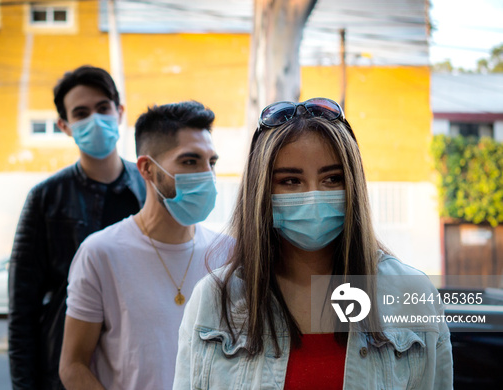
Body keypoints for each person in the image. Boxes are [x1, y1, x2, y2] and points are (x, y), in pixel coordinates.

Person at [173, 98, 453, 389]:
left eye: (332, 178)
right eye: (291, 181)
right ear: (261, 192)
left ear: (353, 186)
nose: (313, 196)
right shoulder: (214, 301)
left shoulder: (413, 294)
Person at [59, 101, 228, 390]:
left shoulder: (229, 252)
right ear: (148, 169)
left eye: (211, 162)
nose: (207, 175)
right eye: (190, 161)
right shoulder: (100, 253)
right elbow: (73, 365)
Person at [8, 65, 146, 390]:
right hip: (64, 370)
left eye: (102, 108)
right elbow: (22, 312)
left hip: (138, 367)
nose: (95, 120)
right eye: (81, 113)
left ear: (120, 112)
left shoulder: (150, 187)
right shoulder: (45, 199)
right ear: (65, 126)